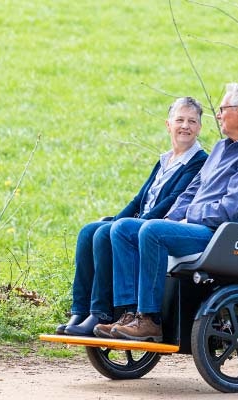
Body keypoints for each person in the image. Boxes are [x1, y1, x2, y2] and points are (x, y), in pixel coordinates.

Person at [95, 83, 238, 341]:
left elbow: (230, 208)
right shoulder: (220, 148)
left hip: (227, 235)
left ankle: (149, 319)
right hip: (203, 227)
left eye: (222, 109)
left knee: (152, 231)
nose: (218, 115)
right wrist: (172, 218)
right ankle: (129, 313)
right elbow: (191, 190)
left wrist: (188, 217)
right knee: (124, 228)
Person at [57, 97, 208, 336]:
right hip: (141, 220)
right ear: (168, 124)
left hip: (163, 225)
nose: (185, 126)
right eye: (179, 120)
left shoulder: (199, 162)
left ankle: (104, 312)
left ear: (199, 127)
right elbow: (139, 199)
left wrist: (133, 223)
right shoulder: (164, 160)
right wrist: (117, 219)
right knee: (91, 231)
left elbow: (173, 202)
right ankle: (81, 310)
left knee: (110, 231)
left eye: (192, 121)